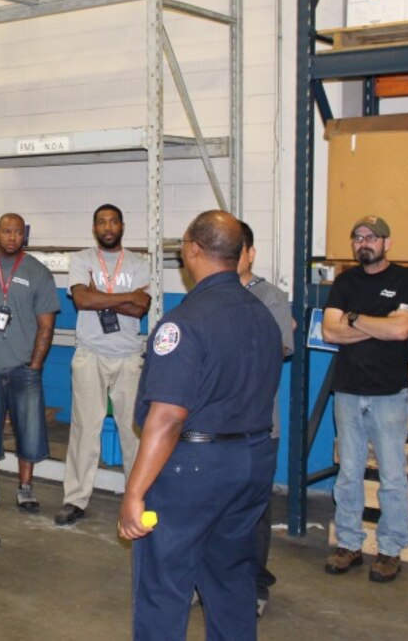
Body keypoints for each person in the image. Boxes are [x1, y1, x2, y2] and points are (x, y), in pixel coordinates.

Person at [118, 210, 283, 641]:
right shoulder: (262, 316)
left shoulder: (183, 323)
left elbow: (168, 416)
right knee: (230, 578)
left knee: (164, 585)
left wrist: (134, 493)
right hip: (252, 462)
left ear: (193, 250)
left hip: (195, 469)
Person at [322, 215, 408, 583]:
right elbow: (330, 331)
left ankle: (390, 549)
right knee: (348, 474)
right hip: (348, 391)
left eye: (371, 237)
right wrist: (378, 324)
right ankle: (349, 543)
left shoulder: (407, 281)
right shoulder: (345, 282)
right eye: (357, 237)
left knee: (392, 476)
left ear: (387, 242)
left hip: (389, 394)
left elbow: (401, 330)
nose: (363, 243)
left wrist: (354, 319)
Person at [55, 204, 151, 526]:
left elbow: (142, 309)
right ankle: (75, 499)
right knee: (84, 429)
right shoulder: (82, 259)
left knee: (133, 430)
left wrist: (102, 295)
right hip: (90, 353)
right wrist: (125, 297)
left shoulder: (140, 262)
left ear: (122, 225)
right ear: (94, 227)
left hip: (128, 356)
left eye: (113, 221)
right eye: (101, 222)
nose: (107, 227)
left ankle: (136, 496)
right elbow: (82, 300)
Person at [0, 213, 61, 513]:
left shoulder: (38, 272)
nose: (11, 237)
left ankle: (25, 488)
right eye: (6, 231)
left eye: (17, 232)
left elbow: (46, 324)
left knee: (30, 430)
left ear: (24, 236)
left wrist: (35, 364)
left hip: (23, 368)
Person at [237, 220, 296, 617]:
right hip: (214, 426)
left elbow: (280, 348)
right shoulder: (207, 295)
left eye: (236, 249)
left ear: (250, 253)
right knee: (212, 507)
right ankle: (207, 581)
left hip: (258, 424)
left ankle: (255, 586)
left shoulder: (271, 297)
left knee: (256, 508)